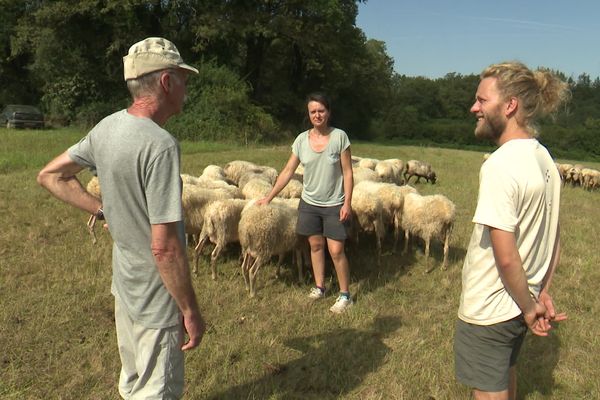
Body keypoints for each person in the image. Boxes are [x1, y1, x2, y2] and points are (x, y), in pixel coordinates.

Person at [37, 37, 206, 399]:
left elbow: (51, 175)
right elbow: (165, 249)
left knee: (133, 380)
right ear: (165, 82)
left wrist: (102, 210)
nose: (186, 86)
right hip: (155, 294)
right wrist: (189, 309)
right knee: (156, 389)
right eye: (182, 77)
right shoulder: (160, 145)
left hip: (125, 287)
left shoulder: (107, 127)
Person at [454, 61, 569, 400]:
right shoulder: (545, 159)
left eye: (482, 100)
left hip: (490, 308)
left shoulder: (500, 165)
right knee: (506, 378)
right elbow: (554, 238)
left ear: (510, 106)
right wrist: (539, 292)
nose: (474, 107)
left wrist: (531, 304)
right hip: (519, 305)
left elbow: (505, 257)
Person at [257, 93, 354, 313]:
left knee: (336, 250)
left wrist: (347, 203)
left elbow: (348, 173)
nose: (317, 115)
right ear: (308, 114)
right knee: (315, 245)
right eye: (313, 112)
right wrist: (269, 197)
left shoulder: (340, 137)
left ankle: (345, 295)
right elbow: (288, 171)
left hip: (334, 203)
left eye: (321, 110)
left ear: (328, 112)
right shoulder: (301, 140)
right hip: (309, 203)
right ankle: (320, 287)